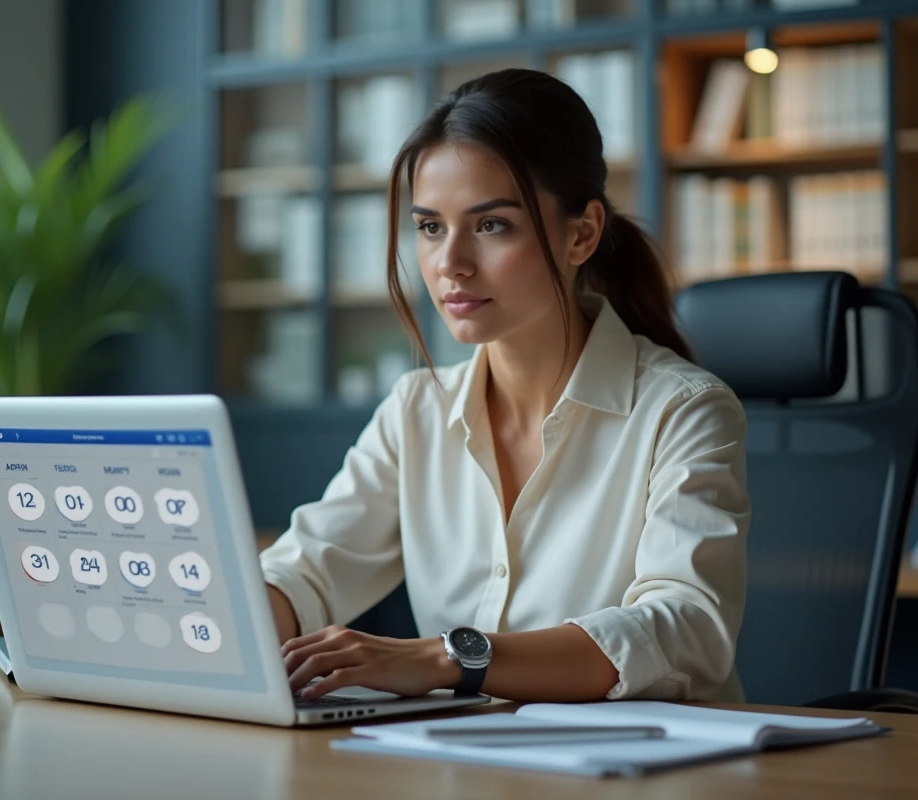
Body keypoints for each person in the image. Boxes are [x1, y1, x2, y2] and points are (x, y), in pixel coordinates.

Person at [260, 68, 750, 705]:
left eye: (491, 225)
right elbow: (306, 569)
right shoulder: (417, 411)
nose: (450, 264)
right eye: (431, 227)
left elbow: (683, 628)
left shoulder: (682, 411)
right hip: (467, 764)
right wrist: (225, 623)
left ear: (582, 233)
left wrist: (447, 658)